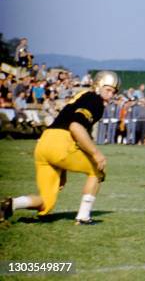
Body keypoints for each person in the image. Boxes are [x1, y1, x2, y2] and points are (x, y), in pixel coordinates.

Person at [0, 71, 120, 225]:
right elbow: (76, 126)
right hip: (60, 142)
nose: (110, 95)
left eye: (114, 91)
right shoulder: (94, 100)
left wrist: (62, 168)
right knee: (97, 171)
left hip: (44, 144)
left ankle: (11, 204)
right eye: (108, 89)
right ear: (98, 85)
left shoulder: (82, 96)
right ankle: (83, 217)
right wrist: (96, 153)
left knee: (46, 202)